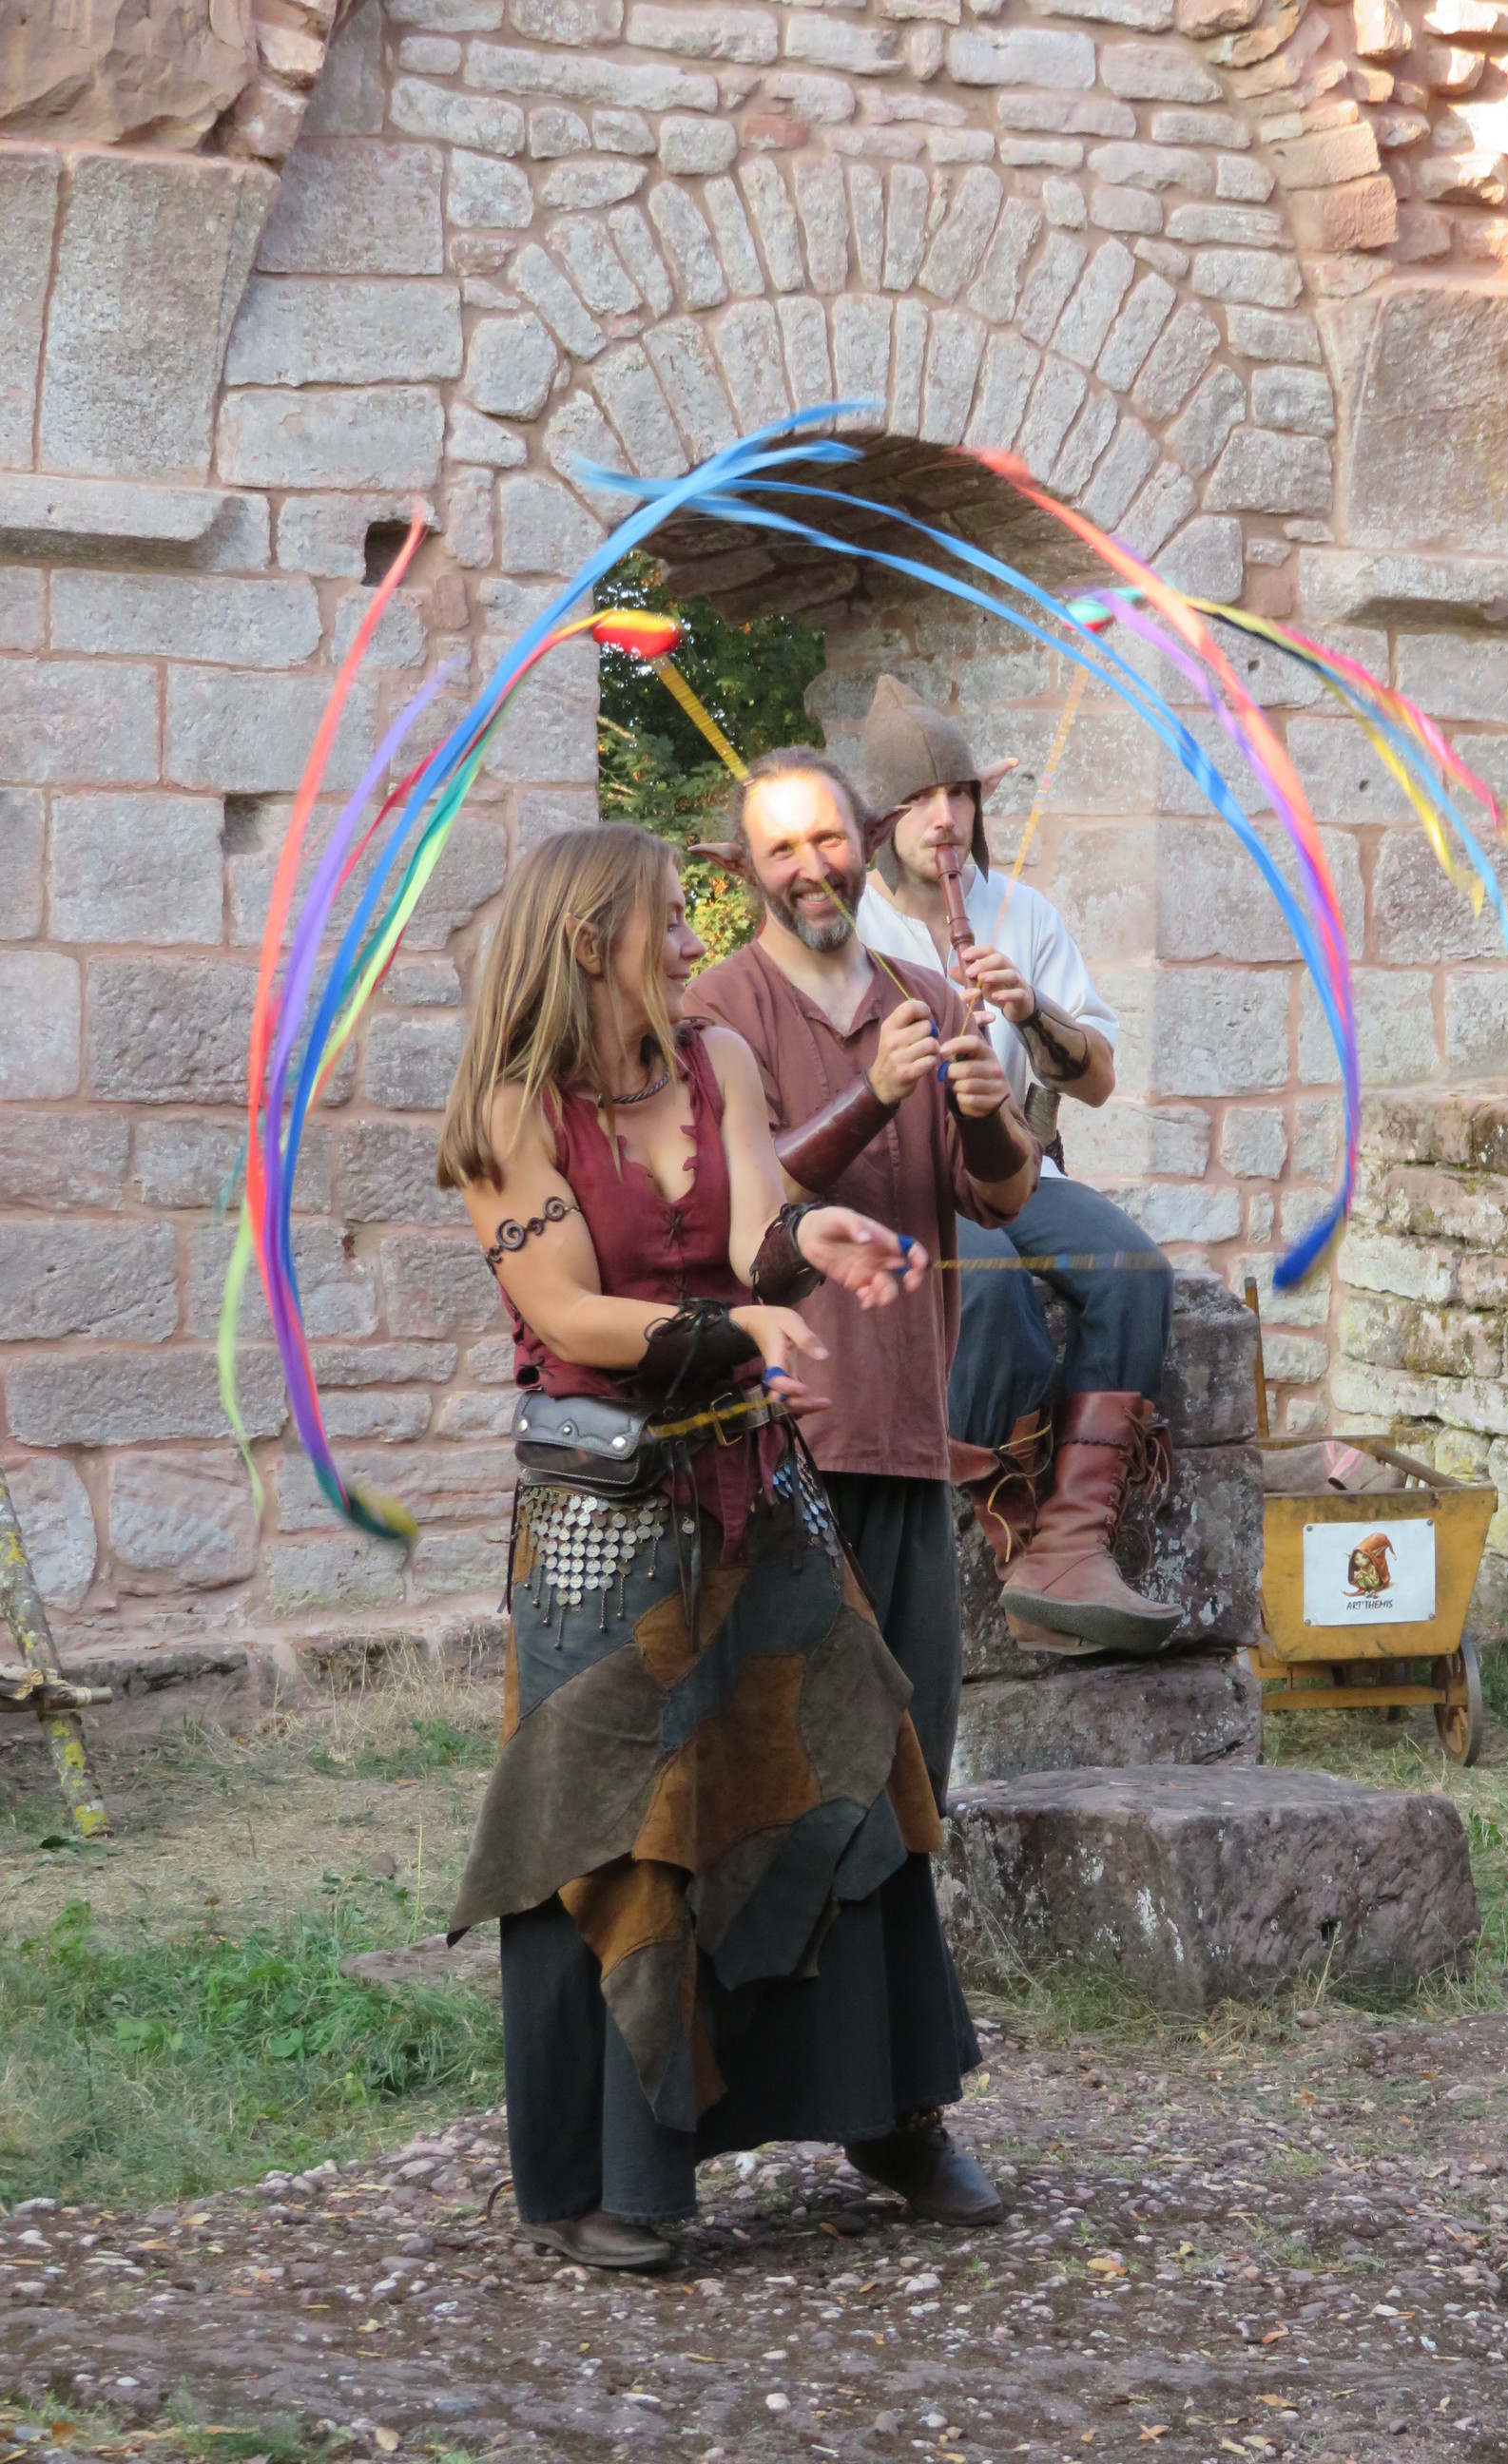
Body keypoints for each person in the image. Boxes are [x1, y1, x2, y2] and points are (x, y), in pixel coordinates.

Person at [439, 822, 984, 2272]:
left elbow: (756, 1230)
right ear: (588, 940)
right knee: (608, 1831)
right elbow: (569, 1314)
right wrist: (736, 1329)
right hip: (601, 1527)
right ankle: (603, 2179)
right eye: (671, 919)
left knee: (854, 1765)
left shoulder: (716, 1062)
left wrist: (818, 1244)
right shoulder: (506, 1115)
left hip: (757, 1492)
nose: (695, 943)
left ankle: (893, 2116)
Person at [686, 746, 1037, 2217]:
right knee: (775, 1785)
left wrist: (979, 1100)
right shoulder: (717, 1013)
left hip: (906, 1439)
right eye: (781, 848)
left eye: (828, 837)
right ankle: (704, 2111)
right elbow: (745, 1211)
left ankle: (899, 2115)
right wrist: (875, 1097)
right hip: (771, 1455)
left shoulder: (927, 995)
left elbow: (1001, 1191)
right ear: (743, 870)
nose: (812, 866)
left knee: (907, 1783)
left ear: (864, 839)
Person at [854, 676, 1179, 1656]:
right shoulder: (849, 925)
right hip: (898, 1181)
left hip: (1016, 1164)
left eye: (960, 795)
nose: (945, 819)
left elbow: (1099, 1082)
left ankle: (1077, 1539)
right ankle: (1022, 1538)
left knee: (1136, 1272)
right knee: (986, 1287)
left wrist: (1032, 1010)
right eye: (919, 800)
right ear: (881, 821)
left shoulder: (1020, 912)